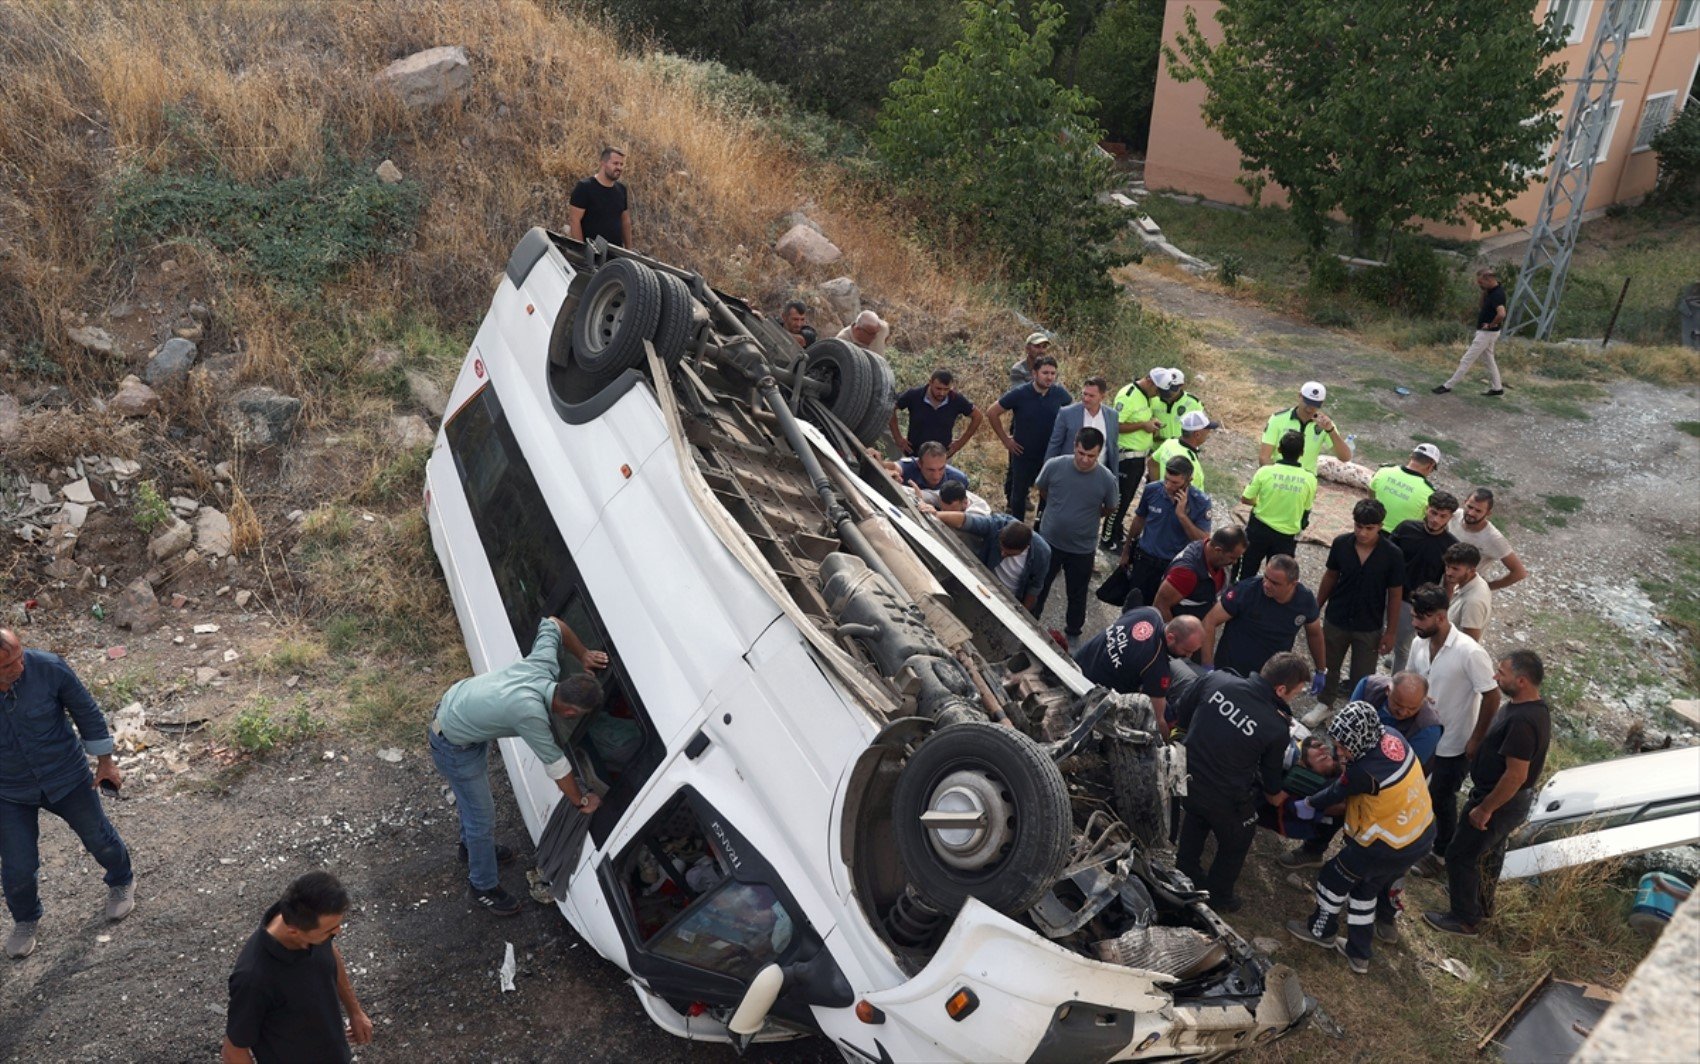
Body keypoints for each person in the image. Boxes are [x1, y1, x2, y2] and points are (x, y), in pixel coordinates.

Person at [429, 617, 607, 916]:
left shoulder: (544, 666)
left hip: (460, 711)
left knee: (474, 806)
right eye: (577, 716)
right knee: (482, 819)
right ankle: (482, 886)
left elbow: (553, 623)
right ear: (570, 710)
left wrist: (584, 654)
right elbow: (557, 765)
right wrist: (581, 800)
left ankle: (470, 850)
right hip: (454, 743)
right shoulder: (531, 712)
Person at [0, 628, 135, 960]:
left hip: (66, 776)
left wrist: (106, 762)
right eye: (8, 665)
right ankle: (25, 920)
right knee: (17, 866)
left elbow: (86, 712)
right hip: (10, 790)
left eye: (20, 657)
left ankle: (122, 880)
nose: (19, 667)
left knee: (98, 836)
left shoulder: (48, 667)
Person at [1285, 701, 1435, 972]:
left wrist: (1307, 804)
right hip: (1420, 832)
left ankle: (1322, 932)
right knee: (1366, 889)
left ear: (1359, 740)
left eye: (1343, 746)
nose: (1338, 752)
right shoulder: (1391, 736)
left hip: (1386, 843)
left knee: (1332, 878)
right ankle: (1359, 954)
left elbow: (1334, 793)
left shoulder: (1363, 771)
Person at [1169, 653, 1312, 911]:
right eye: (1296, 693)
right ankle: (1220, 896)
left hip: (1185, 778)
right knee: (1240, 834)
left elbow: (1183, 709)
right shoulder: (1275, 727)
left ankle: (1185, 868)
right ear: (1280, 690)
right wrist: (1279, 797)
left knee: (1197, 813)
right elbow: (1270, 783)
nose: (1294, 698)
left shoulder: (1218, 680)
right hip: (1223, 798)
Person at [1424, 651, 1551, 935]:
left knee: (1460, 854)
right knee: (1489, 854)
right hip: (1502, 799)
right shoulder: (1526, 708)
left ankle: (1464, 918)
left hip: (1500, 800)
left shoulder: (1523, 722)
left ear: (1521, 680)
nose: (1495, 676)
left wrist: (1485, 809)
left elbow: (1516, 775)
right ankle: (1481, 906)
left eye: (1501, 673)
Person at [1276, 671, 1441, 871]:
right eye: (1398, 704)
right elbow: (1347, 728)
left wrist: (1347, 790)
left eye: (1412, 708)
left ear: (1423, 701)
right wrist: (1343, 771)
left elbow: (1397, 772)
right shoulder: (1369, 686)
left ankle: (1355, 868)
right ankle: (1313, 849)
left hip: (1389, 785)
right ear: (1388, 690)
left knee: (1358, 817)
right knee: (1329, 791)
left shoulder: (1427, 728)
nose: (1403, 712)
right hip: (1354, 760)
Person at [223, 871, 372, 1064]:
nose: (338, 932)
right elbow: (232, 1052)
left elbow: (329, 955)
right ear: (294, 931)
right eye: (329, 931)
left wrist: (355, 1011)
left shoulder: (311, 925)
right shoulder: (254, 979)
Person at [1407, 583, 1500, 876]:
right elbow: (1409, 678)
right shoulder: (1418, 642)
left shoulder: (1470, 653)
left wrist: (1476, 738)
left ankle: (1440, 855)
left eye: (1422, 618)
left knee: (1441, 798)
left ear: (1441, 617)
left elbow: (1492, 695)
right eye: (1414, 616)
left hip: (1454, 741)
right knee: (1412, 789)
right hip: (1421, 735)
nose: (1415, 624)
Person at [1315, 499, 1405, 709]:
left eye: (1369, 528)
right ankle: (1324, 704)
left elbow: (1394, 594)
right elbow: (1330, 576)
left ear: (1380, 526)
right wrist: (1316, 606)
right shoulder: (1341, 544)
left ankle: (1354, 711)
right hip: (1337, 617)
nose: (1363, 533)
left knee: (1363, 675)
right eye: (1359, 526)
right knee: (1329, 664)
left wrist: (1391, 632)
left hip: (1369, 624)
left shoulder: (1393, 554)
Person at [1033, 428, 1119, 642]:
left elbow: (1110, 507)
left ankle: (1073, 633)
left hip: (1082, 548)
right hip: (1049, 541)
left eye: (1091, 456)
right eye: (1081, 453)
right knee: (1039, 586)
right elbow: (1042, 489)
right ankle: (1030, 622)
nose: (1085, 459)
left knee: (1077, 594)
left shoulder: (1107, 479)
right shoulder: (1054, 466)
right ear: (1075, 446)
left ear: (1099, 453)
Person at [1201, 555, 1327, 685]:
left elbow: (1314, 634)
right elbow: (1210, 621)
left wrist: (1321, 670)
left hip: (1270, 676)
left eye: (1275, 583)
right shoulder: (1246, 591)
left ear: (1293, 584)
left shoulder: (1304, 601)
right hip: (1232, 671)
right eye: (1266, 577)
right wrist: (1208, 666)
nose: (1266, 584)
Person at [1074, 608, 1205, 730]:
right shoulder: (1156, 666)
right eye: (1186, 651)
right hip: (1089, 693)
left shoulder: (1148, 614)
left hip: (1078, 662)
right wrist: (1168, 744)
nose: (1189, 656)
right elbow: (1158, 720)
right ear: (1170, 638)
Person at [1119, 455, 1213, 611]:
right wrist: (1126, 551)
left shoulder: (1200, 502)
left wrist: (1182, 516)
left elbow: (1203, 540)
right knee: (1132, 609)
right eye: (1166, 479)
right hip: (1144, 561)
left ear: (1188, 480)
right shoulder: (1152, 490)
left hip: (1173, 568)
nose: (1168, 486)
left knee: (1160, 612)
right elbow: (1139, 520)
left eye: (1175, 483)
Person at [987, 356, 1072, 521]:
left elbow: (1072, 415)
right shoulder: (1021, 393)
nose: (1049, 377)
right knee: (1018, 494)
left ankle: (1040, 527)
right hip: (1023, 453)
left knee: (1047, 493)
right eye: (1045, 373)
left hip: (1049, 454)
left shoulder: (1060, 394)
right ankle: (1016, 526)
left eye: (1053, 373)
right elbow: (992, 412)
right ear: (1034, 373)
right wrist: (1006, 440)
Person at [926, 503, 1050, 613]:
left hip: (1010, 599)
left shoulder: (1042, 553)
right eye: (1001, 549)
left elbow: (1034, 588)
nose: (1002, 555)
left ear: (1025, 547)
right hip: (985, 585)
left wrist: (1022, 614)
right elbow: (967, 521)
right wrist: (936, 514)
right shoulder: (997, 524)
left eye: (1009, 554)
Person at [1103, 368, 1176, 551]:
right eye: (1158, 390)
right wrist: (1143, 425)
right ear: (1150, 381)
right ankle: (1107, 538)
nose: (1158, 395)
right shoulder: (1128, 396)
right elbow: (1115, 425)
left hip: (1138, 457)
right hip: (1125, 457)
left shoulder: (1147, 396)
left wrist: (1151, 422)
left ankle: (1117, 531)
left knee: (1127, 499)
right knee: (1119, 500)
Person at [1388, 492, 1460, 672]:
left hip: (1416, 603)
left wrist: (1441, 610)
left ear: (1450, 517)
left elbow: (1448, 584)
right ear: (1427, 509)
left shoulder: (1450, 546)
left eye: (1443, 516)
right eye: (1433, 512)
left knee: (1403, 649)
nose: (1436, 519)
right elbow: (1386, 559)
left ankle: (1396, 689)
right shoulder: (1406, 529)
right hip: (1389, 592)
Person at [1236, 429, 1317, 581]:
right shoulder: (1310, 479)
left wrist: (1260, 502)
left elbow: (1246, 499)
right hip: (1286, 537)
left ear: (1279, 449)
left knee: (1247, 570)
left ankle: (1243, 599)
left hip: (1258, 529)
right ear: (1302, 452)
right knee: (1279, 578)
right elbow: (1306, 510)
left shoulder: (1264, 472)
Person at [1434, 269, 1506, 396]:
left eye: (1481, 283)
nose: (1480, 285)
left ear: (1488, 279)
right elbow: (1482, 306)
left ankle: (1448, 386)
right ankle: (1497, 388)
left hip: (1487, 334)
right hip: (1488, 333)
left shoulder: (1497, 294)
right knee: (1489, 360)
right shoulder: (1491, 291)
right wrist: (1484, 292)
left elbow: (1501, 314)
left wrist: (1490, 325)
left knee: (1466, 360)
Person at [1153, 526, 1247, 623]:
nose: (1235, 562)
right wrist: (1176, 635)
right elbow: (1161, 605)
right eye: (1232, 558)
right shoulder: (1186, 573)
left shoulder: (1212, 553)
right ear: (1218, 550)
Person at [1259, 381, 1351, 474]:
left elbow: (1345, 457)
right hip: (1279, 475)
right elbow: (1264, 457)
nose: (1310, 408)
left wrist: (1331, 431)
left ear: (1321, 403)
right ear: (1300, 396)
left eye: (1315, 404)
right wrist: (1277, 477)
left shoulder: (1325, 424)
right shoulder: (1278, 419)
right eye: (1307, 402)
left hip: (1306, 479)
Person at [1449, 488, 1529, 591]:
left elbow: (1519, 573)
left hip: (1463, 590)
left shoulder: (1494, 538)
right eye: (1469, 507)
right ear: (1464, 502)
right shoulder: (1454, 516)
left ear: (1488, 513)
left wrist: (1488, 587)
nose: (1471, 513)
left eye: (1478, 511)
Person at [890, 368, 982, 457]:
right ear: (930, 382)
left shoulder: (956, 399)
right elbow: (890, 408)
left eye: (946, 389)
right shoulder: (914, 395)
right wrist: (898, 438)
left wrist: (960, 443)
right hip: (914, 455)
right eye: (938, 388)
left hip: (941, 459)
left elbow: (977, 416)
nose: (942, 393)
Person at [1044, 376, 1120, 463]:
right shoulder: (1067, 413)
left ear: (1102, 397)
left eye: (1091, 396)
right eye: (1084, 394)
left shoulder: (1112, 416)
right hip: (1070, 470)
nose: (1086, 399)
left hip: (1099, 472)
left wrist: (1114, 474)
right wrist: (1048, 470)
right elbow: (1055, 445)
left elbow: (1113, 447)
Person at [568, 146, 631, 248]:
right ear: (603, 163)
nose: (619, 167)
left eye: (621, 164)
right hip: (592, 253)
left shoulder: (621, 189)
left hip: (615, 255)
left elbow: (625, 222)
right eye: (615, 163)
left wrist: (629, 250)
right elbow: (574, 221)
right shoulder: (584, 187)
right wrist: (581, 250)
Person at [1371, 443, 1442, 531]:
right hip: (1398, 538)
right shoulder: (1429, 492)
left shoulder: (1383, 471)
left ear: (1411, 456)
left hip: (1370, 528)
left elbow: (1371, 493)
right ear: (1430, 465)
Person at [1148, 408, 1221, 490]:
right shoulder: (1189, 462)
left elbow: (1152, 463)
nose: (1209, 432)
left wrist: (1158, 490)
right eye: (1207, 429)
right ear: (1197, 434)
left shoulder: (1169, 443)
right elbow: (1187, 494)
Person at [1444, 542, 1492, 641]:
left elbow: (1470, 640)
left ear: (1472, 571)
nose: (1448, 573)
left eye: (1455, 569)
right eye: (1447, 566)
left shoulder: (1473, 602)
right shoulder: (1467, 581)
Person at [895, 441, 970, 498]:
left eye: (941, 469)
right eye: (931, 470)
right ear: (919, 464)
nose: (936, 476)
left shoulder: (959, 479)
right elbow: (893, 467)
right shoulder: (908, 467)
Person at [1152, 367, 1203, 447]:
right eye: (1166, 387)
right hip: (1156, 449)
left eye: (1173, 388)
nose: (1169, 391)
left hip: (1181, 449)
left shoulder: (1193, 403)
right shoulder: (1153, 399)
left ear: (1181, 386)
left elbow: (1200, 429)